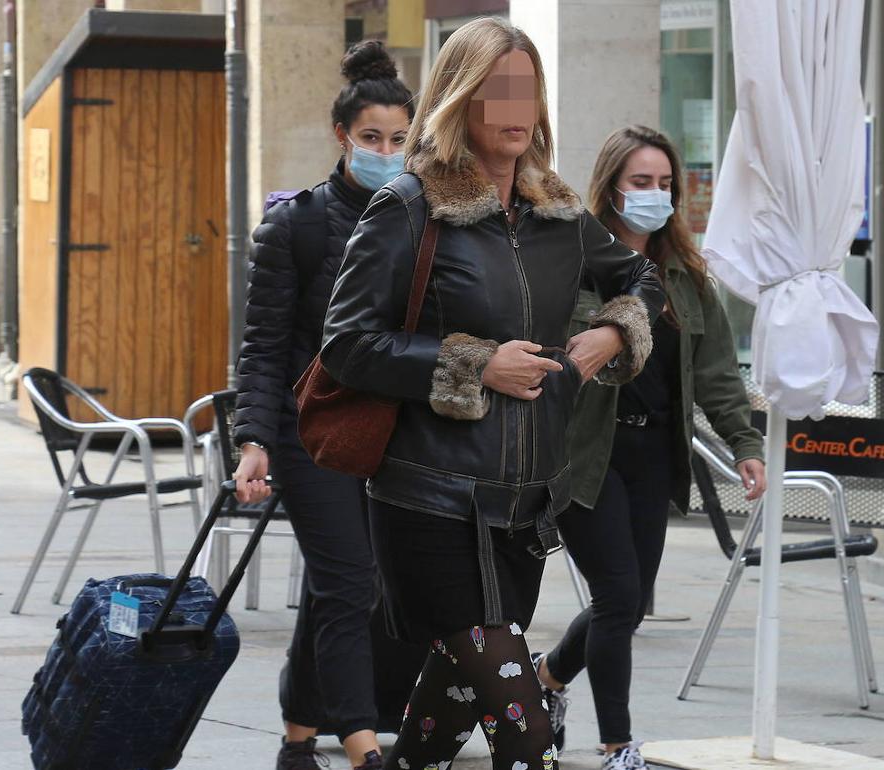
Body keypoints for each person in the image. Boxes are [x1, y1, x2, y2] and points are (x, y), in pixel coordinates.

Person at [314, 18, 664, 770]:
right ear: (459, 98)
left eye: (527, 87)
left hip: (526, 506)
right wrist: (476, 365)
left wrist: (612, 333)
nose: (515, 105)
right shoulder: (411, 204)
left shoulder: (560, 213)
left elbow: (642, 277)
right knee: (528, 734)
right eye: (497, 87)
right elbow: (345, 341)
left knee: (437, 731)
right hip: (430, 502)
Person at [532, 126, 767, 770]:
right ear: (610, 187)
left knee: (628, 605)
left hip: (655, 458)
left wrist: (744, 442)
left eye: (665, 184)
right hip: (586, 456)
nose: (655, 195)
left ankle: (546, 682)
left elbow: (718, 373)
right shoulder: (572, 266)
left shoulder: (687, 278)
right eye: (641, 182)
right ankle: (617, 746)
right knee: (615, 596)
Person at [232, 41, 417, 770]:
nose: (385, 150)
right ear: (342, 135)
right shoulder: (296, 225)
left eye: (399, 139)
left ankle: (297, 738)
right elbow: (262, 347)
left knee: (336, 583)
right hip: (305, 433)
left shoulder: (417, 221)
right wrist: (253, 440)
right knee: (350, 581)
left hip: (386, 434)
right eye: (372, 137)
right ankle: (362, 740)